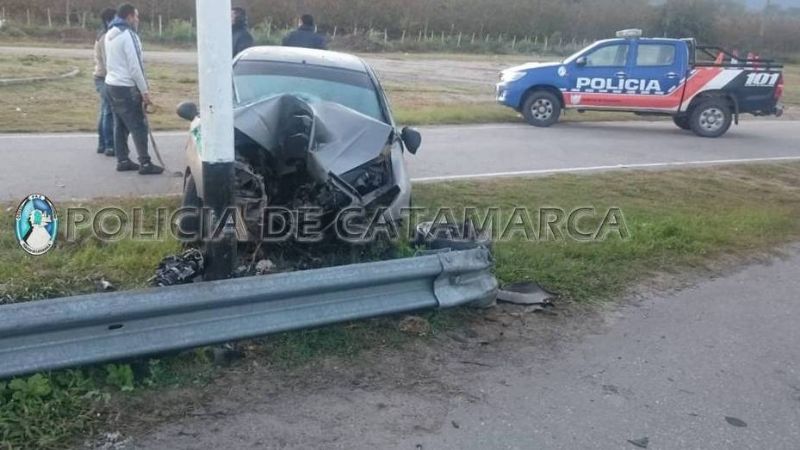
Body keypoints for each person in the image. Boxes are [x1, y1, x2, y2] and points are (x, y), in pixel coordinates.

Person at [104, 3, 163, 175]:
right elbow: (135, 66)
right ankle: (145, 163)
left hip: (111, 85)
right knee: (138, 126)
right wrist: (145, 91)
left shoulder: (110, 33)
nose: (137, 20)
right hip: (126, 86)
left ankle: (122, 160)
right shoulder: (128, 35)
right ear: (129, 17)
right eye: (136, 16)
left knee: (120, 125)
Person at [93, 8, 117, 157]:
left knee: (104, 110)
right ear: (109, 20)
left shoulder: (102, 34)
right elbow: (109, 61)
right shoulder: (106, 37)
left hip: (101, 76)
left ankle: (102, 144)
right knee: (108, 111)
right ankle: (109, 144)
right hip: (105, 77)